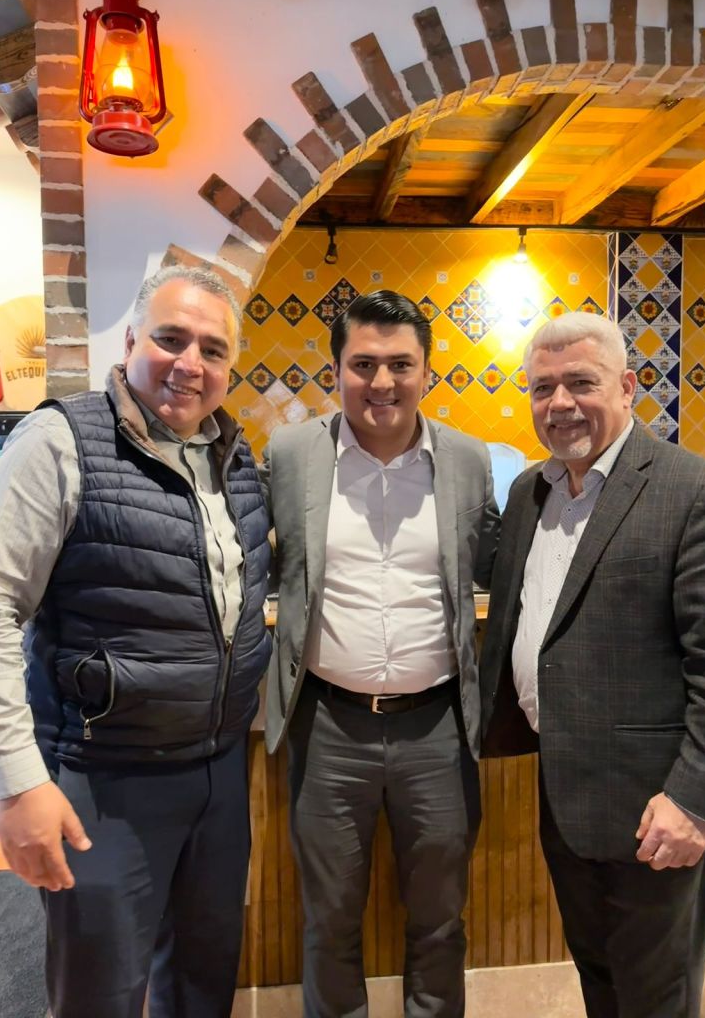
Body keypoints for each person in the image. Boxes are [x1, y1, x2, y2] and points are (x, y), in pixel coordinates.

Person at [0, 265, 272, 1018]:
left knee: (202, 985)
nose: (190, 363)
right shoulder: (59, 442)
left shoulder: (235, 460)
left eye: (212, 349)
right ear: (131, 341)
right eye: (172, 339)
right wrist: (17, 783)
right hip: (103, 779)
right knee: (99, 994)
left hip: (217, 774)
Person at [480, 311, 705, 1018]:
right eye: (542, 388)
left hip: (658, 809)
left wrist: (694, 799)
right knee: (602, 984)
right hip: (568, 798)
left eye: (581, 383)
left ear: (627, 387)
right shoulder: (531, 492)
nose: (559, 403)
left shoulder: (693, 490)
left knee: (655, 999)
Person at [260, 290, 500, 1018]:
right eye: (363, 364)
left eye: (400, 364)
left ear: (428, 371)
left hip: (438, 727)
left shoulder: (467, 459)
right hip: (328, 726)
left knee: (440, 918)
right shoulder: (291, 455)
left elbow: (495, 563)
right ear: (335, 370)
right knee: (329, 918)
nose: (382, 382)